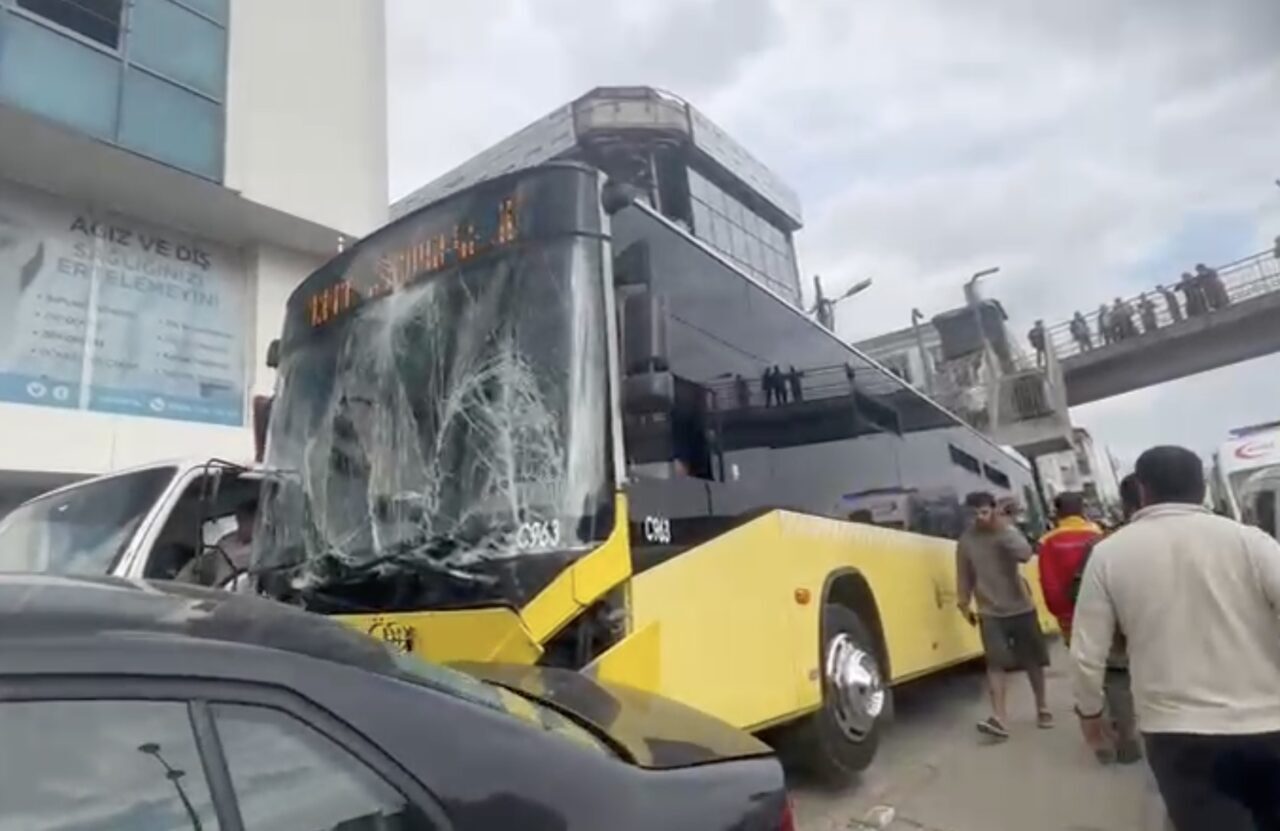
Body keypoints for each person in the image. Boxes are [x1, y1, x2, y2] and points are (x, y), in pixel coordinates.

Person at [1071, 446, 1280, 830]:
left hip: (1178, 735)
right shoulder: (1252, 542)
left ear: (1144, 491)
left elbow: (1086, 651)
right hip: (1270, 724)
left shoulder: (1109, 554)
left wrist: (1089, 712)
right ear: (1202, 489)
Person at [957, 491, 1053, 740]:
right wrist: (963, 601)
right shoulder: (967, 541)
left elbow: (1025, 554)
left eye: (984, 512)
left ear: (993, 510)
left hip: (1021, 606)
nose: (979, 518)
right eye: (974, 513)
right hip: (989, 611)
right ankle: (1000, 718)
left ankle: (1042, 707)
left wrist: (1003, 529)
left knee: (1032, 661)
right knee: (996, 664)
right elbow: (964, 573)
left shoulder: (1006, 532)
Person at [1070, 474, 1144, 766]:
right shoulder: (1226, 537)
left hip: (1120, 638)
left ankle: (1127, 742)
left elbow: (1079, 590)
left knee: (1119, 685)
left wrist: (1088, 710)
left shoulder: (1102, 547)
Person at [1036, 492, 1102, 646]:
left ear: (1057, 512)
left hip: (1067, 611)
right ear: (1082, 510)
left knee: (1077, 651)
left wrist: (1059, 611)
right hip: (1099, 605)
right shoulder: (1098, 534)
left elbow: (1048, 581)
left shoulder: (1047, 542)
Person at [176, 498, 257, 587]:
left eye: (245, 521)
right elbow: (206, 563)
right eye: (240, 521)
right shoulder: (227, 540)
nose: (241, 526)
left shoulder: (263, 547)